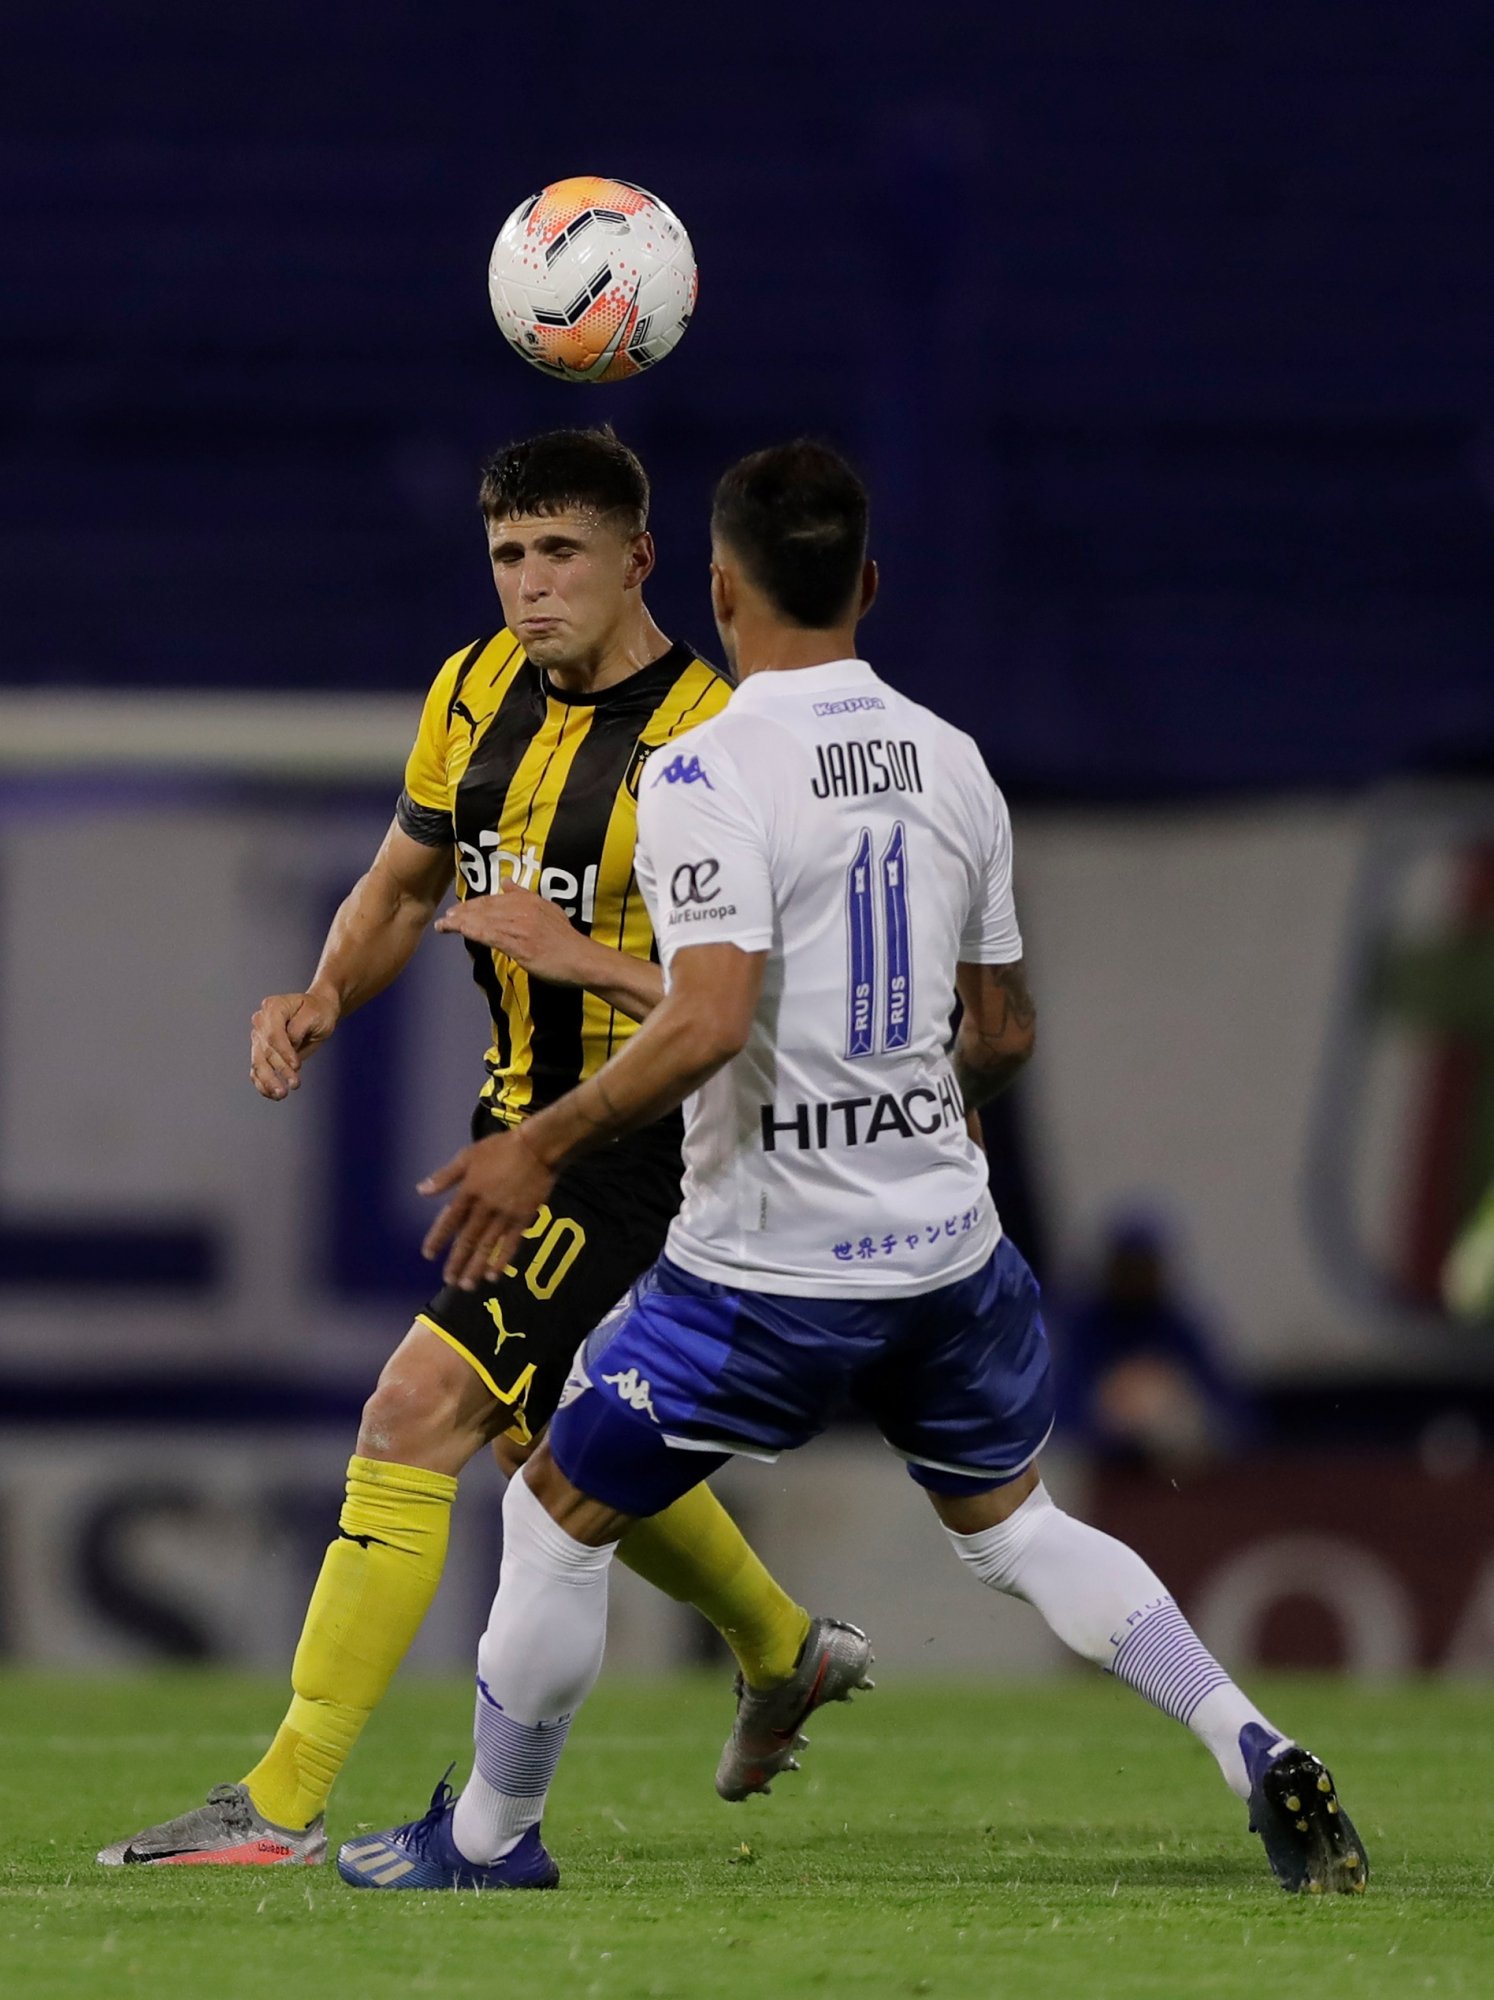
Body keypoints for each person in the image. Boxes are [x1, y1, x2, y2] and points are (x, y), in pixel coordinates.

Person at [339, 439, 1368, 1900]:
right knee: (1019, 1531)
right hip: (946, 1247)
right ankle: (1249, 1741)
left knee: (551, 1508)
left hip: (760, 1269)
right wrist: (903, 1117)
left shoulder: (702, 767)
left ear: (713, 587)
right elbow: (1002, 1031)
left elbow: (705, 1020)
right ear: (867, 585)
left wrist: (536, 1141)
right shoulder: (953, 760)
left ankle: (488, 1842)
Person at [98, 427, 867, 1870]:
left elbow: (766, 1007)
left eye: (561, 553)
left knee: (411, 1414)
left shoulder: (715, 742)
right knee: (542, 1440)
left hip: (645, 1148)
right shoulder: (471, 691)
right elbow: (398, 886)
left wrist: (579, 958)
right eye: (509, 555)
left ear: (641, 561)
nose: (529, 585)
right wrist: (325, 988)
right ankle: (782, 1649)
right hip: (512, 1136)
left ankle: (275, 1804)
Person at [1056, 1215, 1255, 1471]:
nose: (1137, 1277)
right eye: (1129, 1266)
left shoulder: (1178, 1324)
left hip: (1172, 1465)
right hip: (1103, 1463)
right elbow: (1065, 1407)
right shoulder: (1086, 1324)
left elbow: (1233, 1410)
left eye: (1145, 1266)